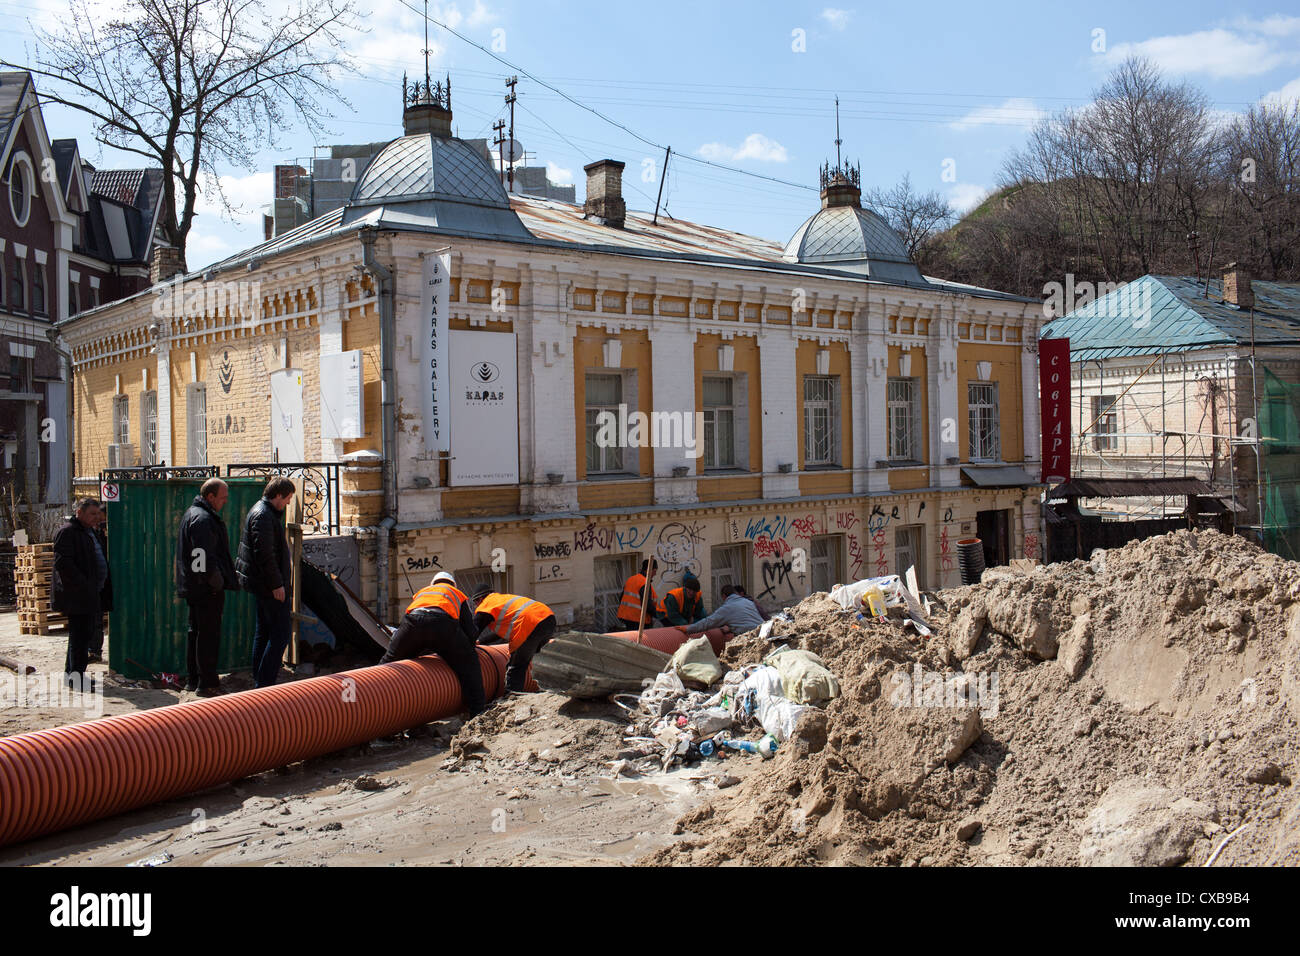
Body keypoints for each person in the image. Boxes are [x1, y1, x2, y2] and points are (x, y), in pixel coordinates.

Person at [381, 572, 486, 716]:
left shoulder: (423, 592)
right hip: (442, 625)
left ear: (433, 583)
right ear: (453, 584)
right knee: (470, 663)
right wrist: (467, 647)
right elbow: (470, 632)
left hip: (413, 622)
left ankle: (370, 693)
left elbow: (411, 620)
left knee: (389, 660)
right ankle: (478, 712)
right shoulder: (457, 594)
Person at [175, 478, 239, 696]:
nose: (225, 502)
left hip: (197, 587)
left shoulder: (195, 515)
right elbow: (200, 558)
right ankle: (207, 684)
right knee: (207, 636)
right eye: (222, 498)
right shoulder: (202, 519)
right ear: (210, 496)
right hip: (205, 589)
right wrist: (214, 582)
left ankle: (194, 680)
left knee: (196, 633)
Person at [236, 476, 295, 689]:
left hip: (262, 585)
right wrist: (277, 585)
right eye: (287, 498)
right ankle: (265, 683)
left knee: (264, 632)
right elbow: (266, 556)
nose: (288, 502)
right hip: (269, 587)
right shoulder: (263, 516)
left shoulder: (262, 512)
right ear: (278, 495)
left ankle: (260, 681)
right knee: (280, 635)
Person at [51, 498, 109, 688]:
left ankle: (75, 675)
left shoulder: (89, 531)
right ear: (79, 512)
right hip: (77, 595)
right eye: (92, 514)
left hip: (90, 593)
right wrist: (84, 585)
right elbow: (63, 564)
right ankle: (75, 677)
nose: (96, 517)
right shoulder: (68, 532)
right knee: (79, 636)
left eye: (97, 514)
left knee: (83, 635)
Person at [472, 589, 557, 693]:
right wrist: (480, 641)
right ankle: (553, 689)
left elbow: (473, 631)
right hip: (548, 618)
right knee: (541, 660)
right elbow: (498, 634)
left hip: (528, 623)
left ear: (480, 599)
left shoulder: (486, 605)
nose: (476, 606)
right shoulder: (500, 600)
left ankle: (513, 695)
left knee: (516, 665)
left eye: (475, 602)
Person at [678, 585, 765, 637]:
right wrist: (731, 628)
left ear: (724, 596)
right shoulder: (748, 602)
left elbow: (708, 622)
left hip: (751, 637)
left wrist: (688, 629)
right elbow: (744, 619)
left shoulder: (727, 608)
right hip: (764, 631)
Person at [88, 508, 112, 663]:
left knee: (96, 619)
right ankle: (93, 650)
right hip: (92, 585)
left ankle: (95, 650)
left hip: (101, 584)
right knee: (93, 620)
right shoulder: (90, 534)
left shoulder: (98, 534)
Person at [616, 558, 659, 630]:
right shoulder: (644, 583)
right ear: (649, 570)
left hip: (626, 617)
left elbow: (621, 598)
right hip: (638, 620)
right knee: (641, 640)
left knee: (631, 639)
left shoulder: (631, 579)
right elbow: (647, 605)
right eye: (654, 571)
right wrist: (659, 615)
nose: (655, 574)